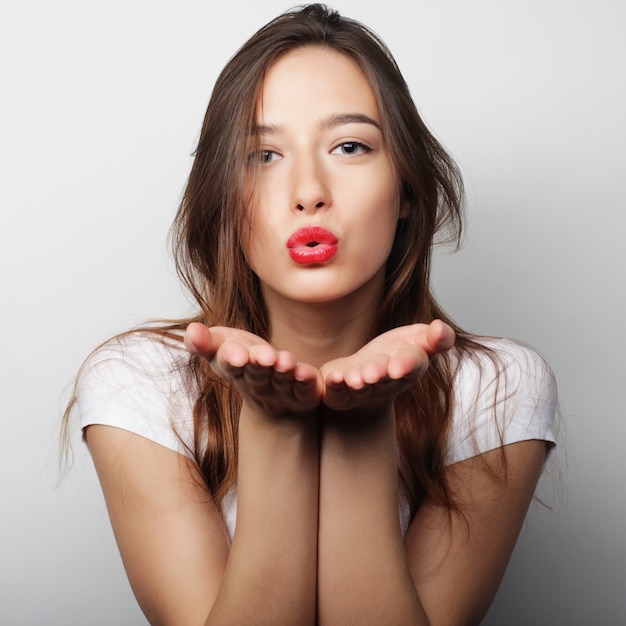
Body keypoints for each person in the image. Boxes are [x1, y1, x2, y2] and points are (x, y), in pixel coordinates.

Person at [66, 4, 557, 624]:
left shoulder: (498, 386)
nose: (308, 191)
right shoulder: (139, 381)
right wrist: (275, 426)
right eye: (263, 156)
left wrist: (361, 426)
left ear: (406, 186)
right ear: (224, 195)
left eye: (349, 146)